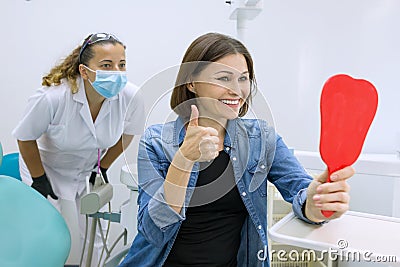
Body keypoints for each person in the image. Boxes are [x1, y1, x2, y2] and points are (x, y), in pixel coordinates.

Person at [119, 32, 353, 267]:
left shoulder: (261, 139)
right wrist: (184, 160)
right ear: (191, 82)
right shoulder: (156, 142)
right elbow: (153, 231)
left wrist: (314, 206)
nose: (237, 90)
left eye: (243, 79)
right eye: (223, 78)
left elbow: (302, 191)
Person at [12, 32, 145, 266]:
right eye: (106, 65)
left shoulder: (130, 97)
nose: (116, 72)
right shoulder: (53, 97)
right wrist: (39, 178)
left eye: (121, 65)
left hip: (88, 169)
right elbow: (25, 138)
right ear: (84, 71)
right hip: (46, 168)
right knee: (47, 232)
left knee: (96, 232)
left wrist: (102, 168)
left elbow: (127, 135)